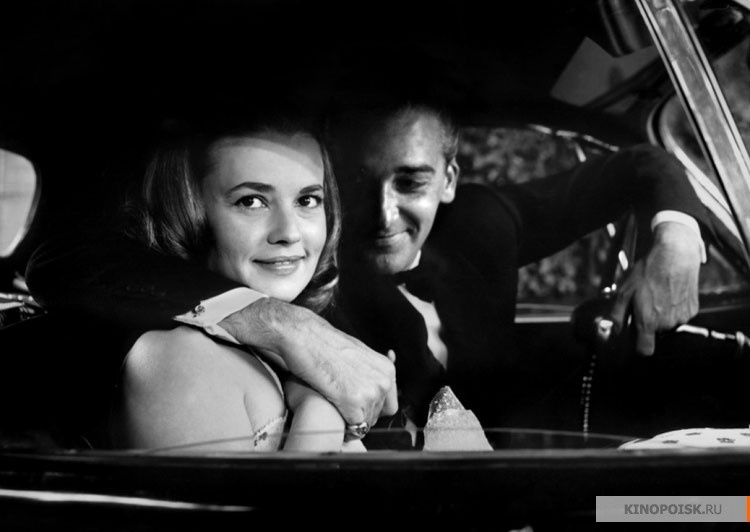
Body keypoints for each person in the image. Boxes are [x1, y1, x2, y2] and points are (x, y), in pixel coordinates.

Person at [25, 101, 707, 438]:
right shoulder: (303, 269)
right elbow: (70, 260)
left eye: (411, 182)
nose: (381, 215)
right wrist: (279, 320)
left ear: (449, 179)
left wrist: (675, 239)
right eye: (356, 183)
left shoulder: (486, 222)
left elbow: (641, 166)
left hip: (539, 485)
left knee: (709, 508)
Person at [107, 114, 376, 451]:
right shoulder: (182, 359)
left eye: (307, 200)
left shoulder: (286, 353)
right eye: (251, 201)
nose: (289, 233)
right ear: (189, 211)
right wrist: (319, 410)